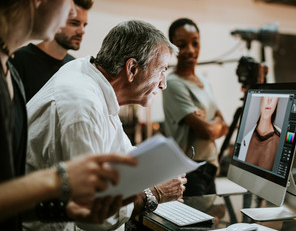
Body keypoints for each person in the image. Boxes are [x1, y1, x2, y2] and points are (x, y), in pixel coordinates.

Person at [25, 20, 187, 231]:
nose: (163, 83)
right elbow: (93, 215)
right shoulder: (82, 106)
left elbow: (122, 153)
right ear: (132, 69)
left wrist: (160, 168)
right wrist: (154, 193)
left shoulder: (89, 74)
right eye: (162, 70)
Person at [0, 0, 139, 230]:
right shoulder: (19, 64)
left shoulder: (8, 71)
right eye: (69, 2)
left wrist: (63, 210)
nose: (71, 12)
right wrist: (59, 179)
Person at [163, 18, 228, 196]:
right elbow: (205, 131)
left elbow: (225, 125)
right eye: (182, 44)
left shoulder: (205, 83)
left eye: (195, 43)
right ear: (172, 47)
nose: (190, 50)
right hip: (190, 171)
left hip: (210, 167)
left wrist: (211, 123)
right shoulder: (173, 83)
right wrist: (215, 123)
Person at [11, 0, 93, 102]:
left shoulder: (74, 66)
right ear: (58, 19)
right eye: (74, 23)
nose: (82, 31)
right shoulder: (19, 59)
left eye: (84, 25)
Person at [241, 96, 281, 171]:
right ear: (262, 98)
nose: (269, 100)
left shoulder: (280, 141)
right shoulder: (245, 137)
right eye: (267, 96)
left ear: (277, 100)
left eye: (274, 97)